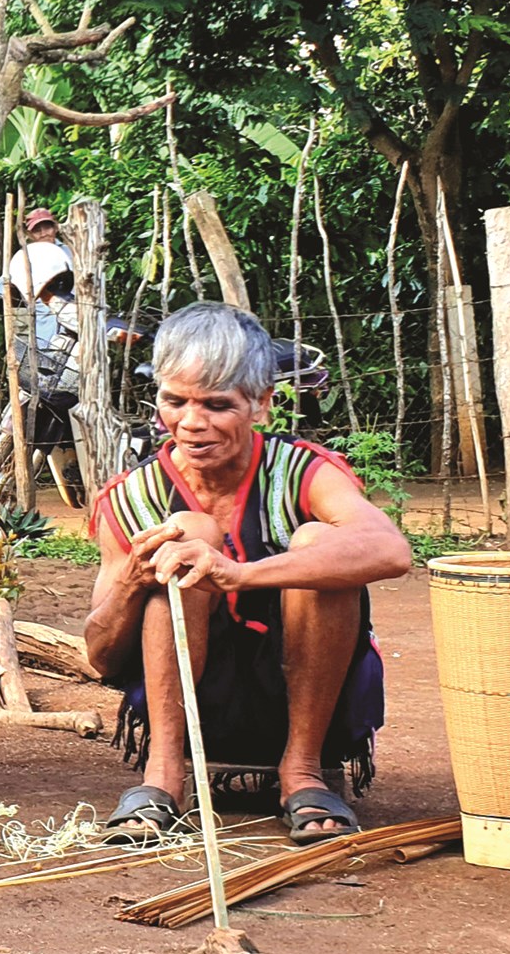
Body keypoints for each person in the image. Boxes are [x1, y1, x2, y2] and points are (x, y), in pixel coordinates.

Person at [83, 302, 411, 844]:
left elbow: (389, 549)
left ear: (261, 403)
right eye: (174, 401)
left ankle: (301, 771)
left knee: (317, 545)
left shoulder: (303, 470)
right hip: (196, 704)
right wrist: (133, 580)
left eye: (217, 405)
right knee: (183, 539)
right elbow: (99, 657)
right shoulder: (130, 497)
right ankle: (164, 776)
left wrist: (240, 574)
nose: (191, 423)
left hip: (303, 697)